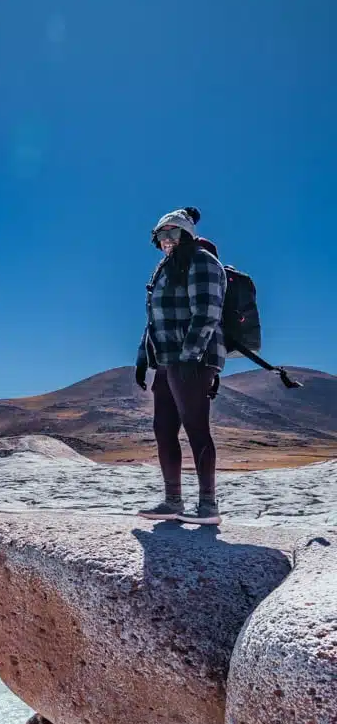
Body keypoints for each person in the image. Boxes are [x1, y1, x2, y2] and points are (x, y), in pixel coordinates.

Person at [135, 206, 227, 525]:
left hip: (193, 359)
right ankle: (172, 501)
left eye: (173, 233)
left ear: (187, 235)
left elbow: (207, 313)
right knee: (163, 428)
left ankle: (208, 506)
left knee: (196, 427)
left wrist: (190, 356)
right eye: (161, 236)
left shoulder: (202, 262)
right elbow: (155, 320)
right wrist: (143, 358)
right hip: (167, 360)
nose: (167, 241)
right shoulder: (164, 269)